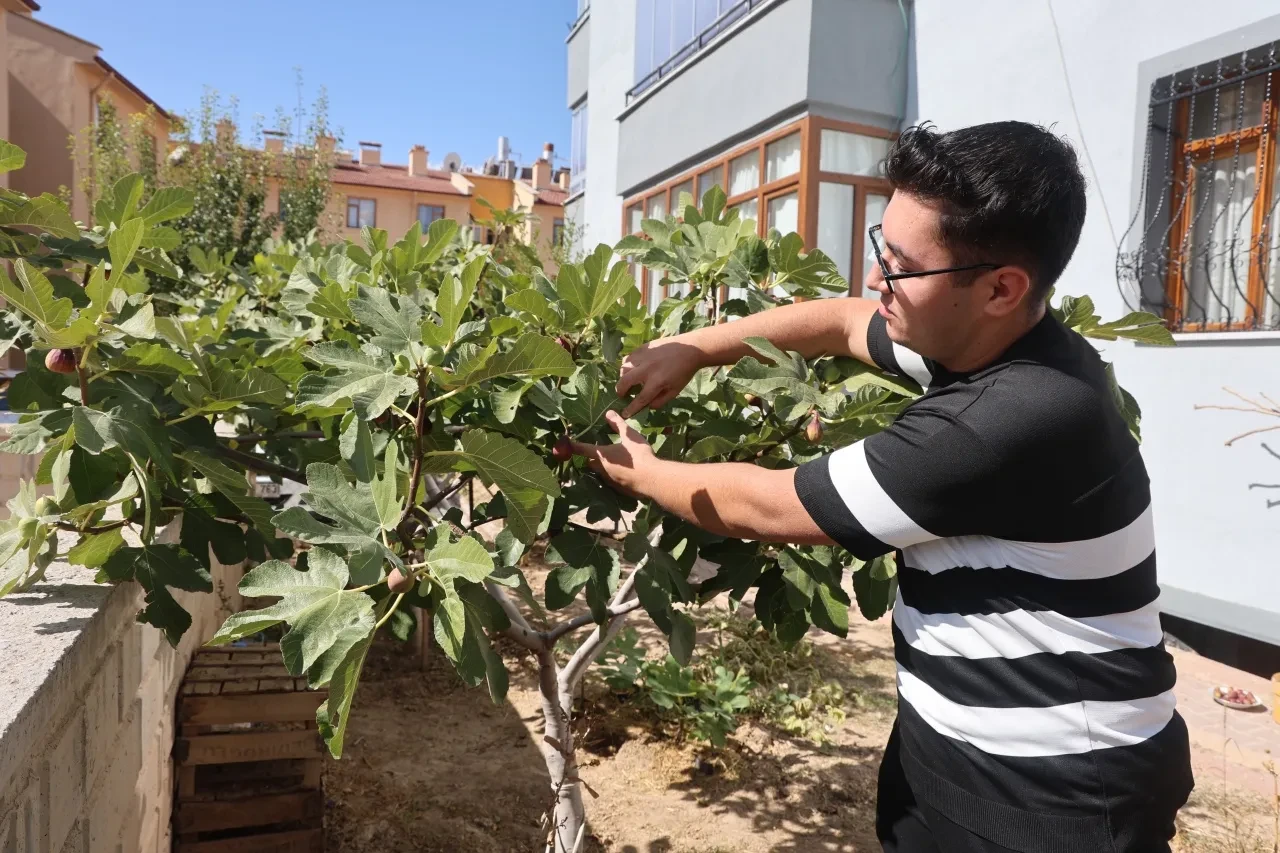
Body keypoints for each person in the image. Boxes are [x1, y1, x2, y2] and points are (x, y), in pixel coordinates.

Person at [572, 121, 1194, 852]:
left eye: (899, 266)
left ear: (1001, 287)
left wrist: (642, 472)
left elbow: (769, 505)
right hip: (957, 752)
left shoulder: (1007, 417)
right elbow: (842, 321)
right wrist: (695, 348)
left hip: (1055, 797)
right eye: (880, 248)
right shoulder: (983, 341)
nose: (877, 280)